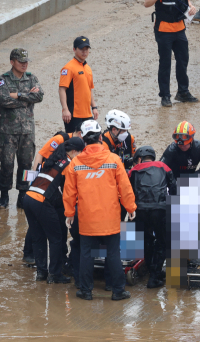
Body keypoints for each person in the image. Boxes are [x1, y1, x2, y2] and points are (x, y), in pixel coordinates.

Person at [63, 120, 137, 301]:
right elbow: (125, 187)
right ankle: (118, 290)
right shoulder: (113, 160)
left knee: (86, 254)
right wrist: (130, 207)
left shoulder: (76, 163)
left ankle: (86, 291)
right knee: (113, 253)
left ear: (84, 138)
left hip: (87, 218)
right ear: (99, 136)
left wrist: (69, 213)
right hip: (110, 217)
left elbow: (69, 192)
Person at [23, 138, 85, 284]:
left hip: (28, 198)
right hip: (40, 201)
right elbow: (68, 190)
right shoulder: (69, 164)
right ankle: (55, 274)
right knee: (56, 238)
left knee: (38, 237)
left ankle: (41, 272)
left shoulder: (54, 159)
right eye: (81, 152)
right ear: (75, 151)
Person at [144, 0, 198, 107]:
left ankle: (183, 91)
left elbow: (187, 1)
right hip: (163, 30)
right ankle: (165, 96)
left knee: (183, 61)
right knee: (165, 63)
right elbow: (147, 2)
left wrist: (192, 7)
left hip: (180, 29)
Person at [0, 48, 44, 209]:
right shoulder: (2, 79)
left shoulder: (32, 78)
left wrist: (18, 95)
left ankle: (23, 195)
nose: (24, 64)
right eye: (21, 61)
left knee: (26, 164)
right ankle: (4, 196)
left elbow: (39, 96)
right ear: (12, 62)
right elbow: (4, 100)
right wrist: (26, 98)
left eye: (26, 61)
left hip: (27, 131)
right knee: (7, 164)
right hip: (8, 131)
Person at [129, 146, 176, 288]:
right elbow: (173, 189)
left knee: (145, 240)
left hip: (140, 210)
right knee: (163, 241)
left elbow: (127, 191)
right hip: (159, 210)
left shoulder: (133, 171)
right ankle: (155, 275)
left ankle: (150, 269)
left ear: (138, 158)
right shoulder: (164, 167)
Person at [59, 37, 98, 132]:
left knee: (91, 141)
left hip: (87, 114)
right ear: (74, 49)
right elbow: (62, 89)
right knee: (74, 143)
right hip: (73, 114)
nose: (84, 52)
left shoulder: (88, 68)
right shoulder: (68, 68)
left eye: (86, 49)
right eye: (81, 49)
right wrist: (65, 109)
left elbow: (89, 89)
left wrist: (94, 107)